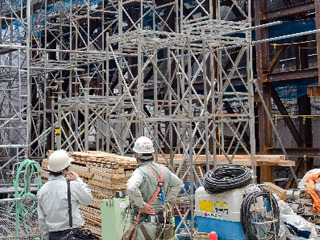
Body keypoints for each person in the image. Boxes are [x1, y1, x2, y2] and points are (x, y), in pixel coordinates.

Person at [126, 136, 184, 240]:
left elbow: (131, 187)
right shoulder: (164, 170)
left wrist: (142, 205)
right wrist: (165, 200)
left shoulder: (140, 171)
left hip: (146, 224)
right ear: (152, 154)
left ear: (137, 156)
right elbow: (179, 184)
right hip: (164, 223)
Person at [37, 149, 93, 240]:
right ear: (64, 170)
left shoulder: (42, 191)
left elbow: (42, 221)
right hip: (72, 235)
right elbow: (88, 199)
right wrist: (78, 180)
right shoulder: (71, 187)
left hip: (53, 236)